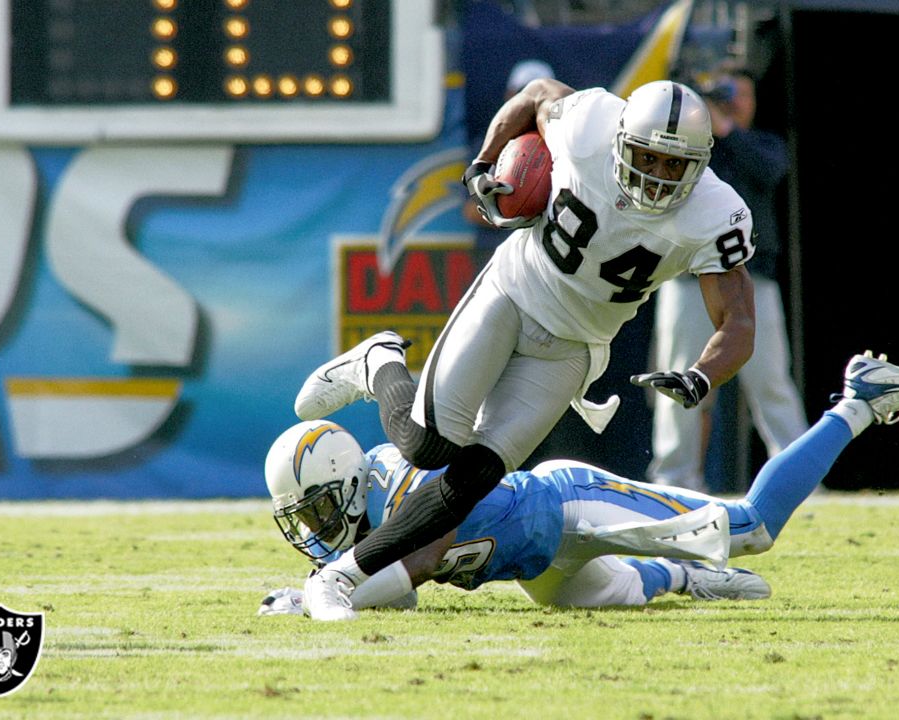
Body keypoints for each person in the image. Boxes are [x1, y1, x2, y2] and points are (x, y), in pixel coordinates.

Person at [291, 78, 761, 620]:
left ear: (701, 164)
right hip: (513, 291)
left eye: (673, 165)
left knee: (475, 477)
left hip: (574, 345)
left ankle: (341, 577)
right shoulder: (588, 125)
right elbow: (537, 94)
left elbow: (738, 323)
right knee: (425, 447)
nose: (655, 176)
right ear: (621, 139)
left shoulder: (716, 214)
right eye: (646, 157)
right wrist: (484, 162)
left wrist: (701, 376)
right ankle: (380, 362)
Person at [264, 352, 899, 619]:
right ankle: (687, 579)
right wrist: (330, 581)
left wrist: (321, 593)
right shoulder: (364, 508)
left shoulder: (399, 483)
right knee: (602, 597)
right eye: (301, 516)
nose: (315, 527)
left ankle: (858, 400)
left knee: (751, 527)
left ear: (351, 480)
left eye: (320, 506)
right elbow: (398, 594)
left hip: (565, 506)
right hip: (535, 565)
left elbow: (415, 565)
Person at [647, 68, 807, 493]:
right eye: (724, 94)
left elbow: (770, 171)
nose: (733, 101)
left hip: (752, 281)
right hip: (688, 279)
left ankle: (797, 479)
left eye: (740, 94)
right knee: (679, 379)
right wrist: (703, 122)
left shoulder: (762, 144)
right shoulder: (691, 146)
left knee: (772, 383)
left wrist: (727, 127)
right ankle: (674, 480)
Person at [463, 60, 557, 264]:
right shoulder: (489, 144)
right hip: (495, 254)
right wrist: (517, 211)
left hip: (544, 259)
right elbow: (471, 210)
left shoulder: (564, 145)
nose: (533, 104)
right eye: (525, 95)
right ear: (510, 97)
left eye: (541, 98)